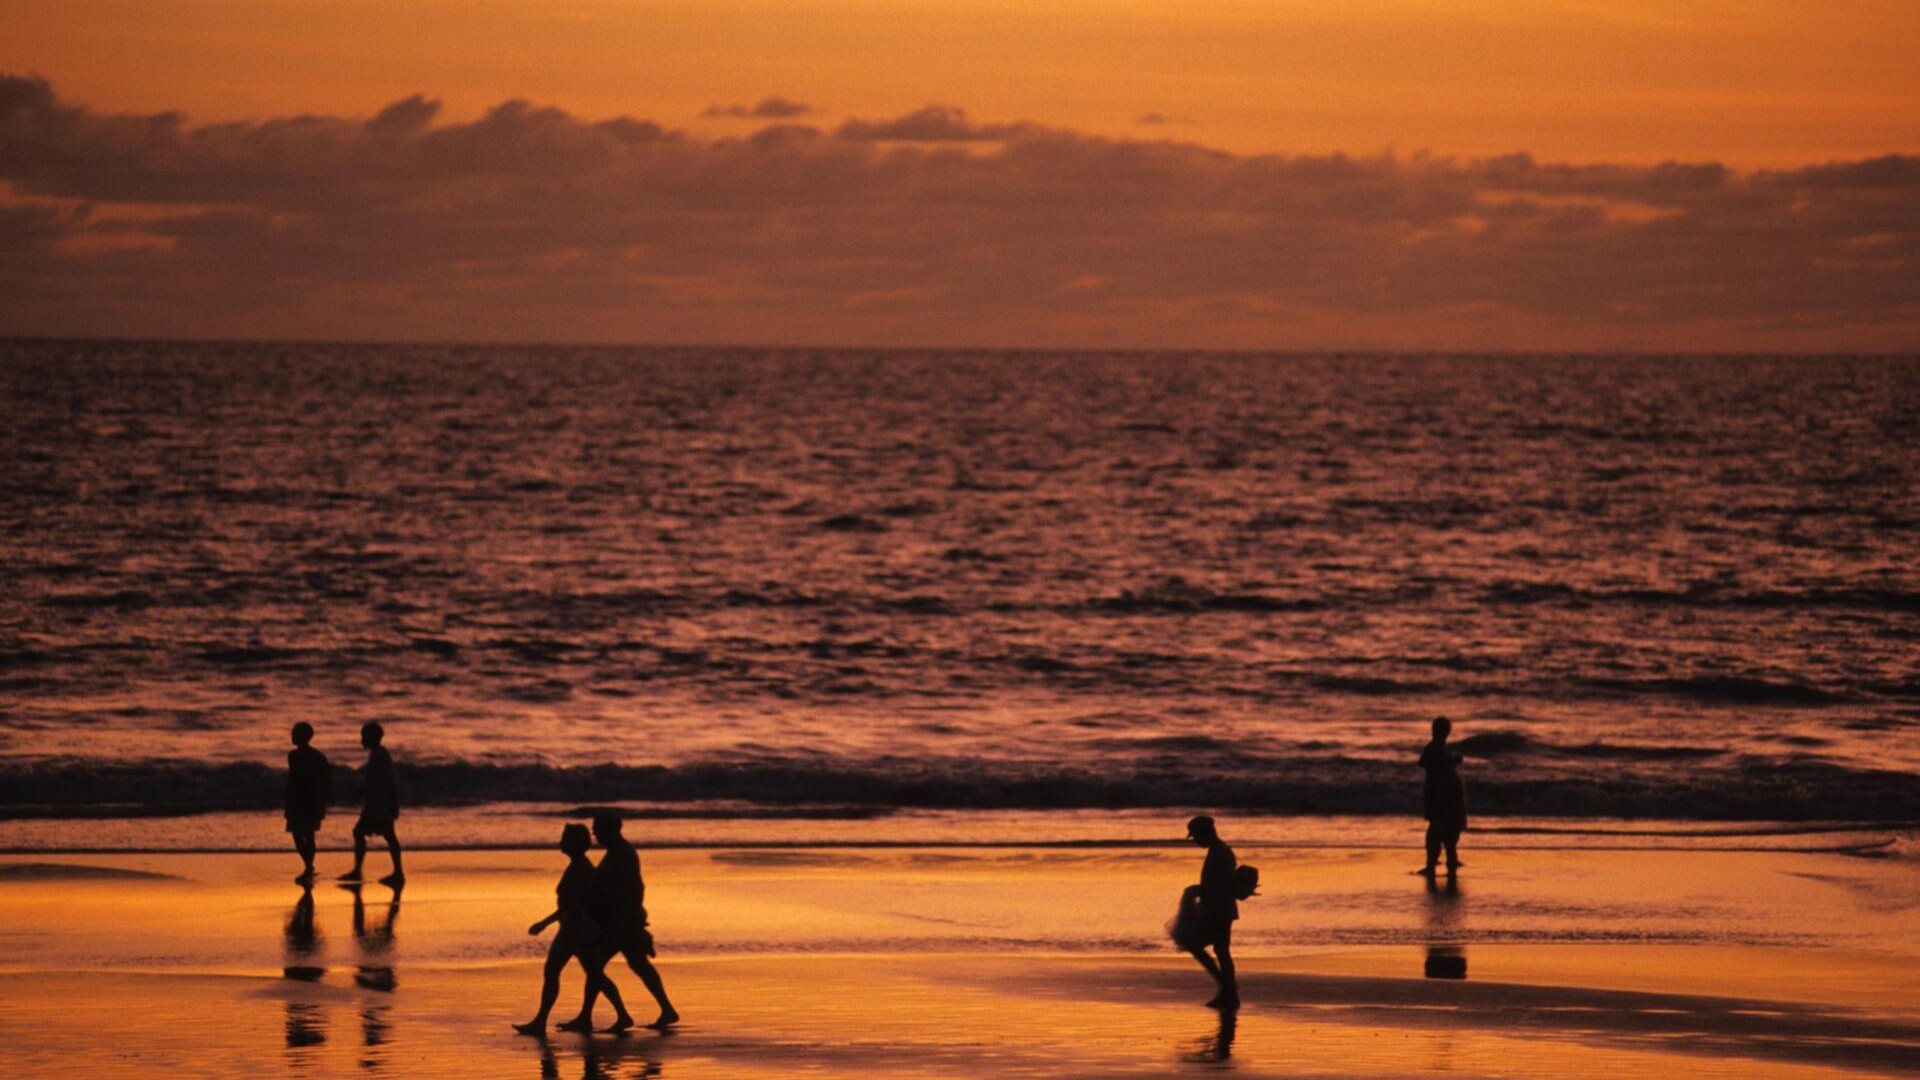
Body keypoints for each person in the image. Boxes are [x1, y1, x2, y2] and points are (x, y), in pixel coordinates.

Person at [514, 824, 632, 1035]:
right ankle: (614, 1015)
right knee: (591, 974)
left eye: (565, 838)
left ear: (574, 844)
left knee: (574, 973)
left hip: (577, 930)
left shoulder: (581, 869)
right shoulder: (579, 866)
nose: (561, 842)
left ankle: (542, 1022)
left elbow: (572, 905)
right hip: (574, 928)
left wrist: (544, 923)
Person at [569, 812, 679, 1030]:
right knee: (634, 965)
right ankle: (666, 1009)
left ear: (609, 830)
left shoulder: (622, 853)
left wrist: (627, 921)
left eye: (597, 829)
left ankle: (601, 1016)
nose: (594, 833)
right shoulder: (618, 851)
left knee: (596, 966)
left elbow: (634, 889)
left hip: (622, 923)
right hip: (623, 920)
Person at [1182, 815, 1239, 1010]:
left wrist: (1195, 891)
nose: (1196, 841)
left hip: (1217, 910)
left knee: (1194, 944)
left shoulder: (1220, 853)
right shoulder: (1219, 851)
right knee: (1221, 951)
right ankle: (1229, 992)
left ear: (1206, 833)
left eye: (1196, 836)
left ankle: (1227, 988)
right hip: (1220, 909)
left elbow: (1218, 886)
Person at [340, 721, 405, 886]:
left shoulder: (380, 756)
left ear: (371, 738)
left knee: (367, 833)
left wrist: (393, 804)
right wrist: (359, 794)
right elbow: (374, 782)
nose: (361, 740)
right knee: (384, 835)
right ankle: (396, 872)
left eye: (364, 737)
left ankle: (394, 873)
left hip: (380, 806)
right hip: (376, 804)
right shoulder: (378, 754)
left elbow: (390, 782)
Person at [1418, 716, 1467, 876]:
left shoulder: (1438, 747)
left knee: (1448, 828)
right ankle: (1434, 863)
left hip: (1443, 794)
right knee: (1440, 829)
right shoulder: (1435, 748)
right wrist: (1452, 762)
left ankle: (1449, 859)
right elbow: (1426, 763)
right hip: (1440, 794)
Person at [285, 722, 331, 885]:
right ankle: (308, 867)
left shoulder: (294, 756)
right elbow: (326, 779)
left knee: (299, 836)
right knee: (307, 835)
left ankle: (308, 867)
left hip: (300, 801)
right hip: (310, 800)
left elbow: (294, 781)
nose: (292, 736)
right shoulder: (318, 756)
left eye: (295, 733)